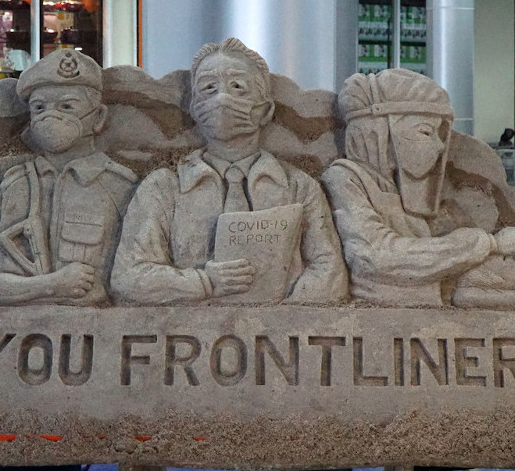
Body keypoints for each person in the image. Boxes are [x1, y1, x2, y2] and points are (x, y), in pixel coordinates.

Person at [111, 37, 348, 305]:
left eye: (237, 87)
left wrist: (280, 313)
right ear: (194, 109)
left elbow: (330, 273)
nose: (222, 99)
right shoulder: (164, 187)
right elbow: (127, 276)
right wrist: (203, 283)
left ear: (265, 110)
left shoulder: (298, 187)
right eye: (209, 88)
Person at [321, 69, 515, 309]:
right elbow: (375, 256)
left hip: (437, 287)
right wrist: (491, 244)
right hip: (396, 304)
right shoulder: (344, 178)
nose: (438, 146)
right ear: (378, 134)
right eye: (425, 131)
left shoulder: (396, 186)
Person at [0, 48, 137, 306]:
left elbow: (129, 285)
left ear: (98, 117)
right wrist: (51, 285)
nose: (49, 116)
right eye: (39, 107)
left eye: (66, 106)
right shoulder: (16, 184)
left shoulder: (120, 186)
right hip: (16, 326)